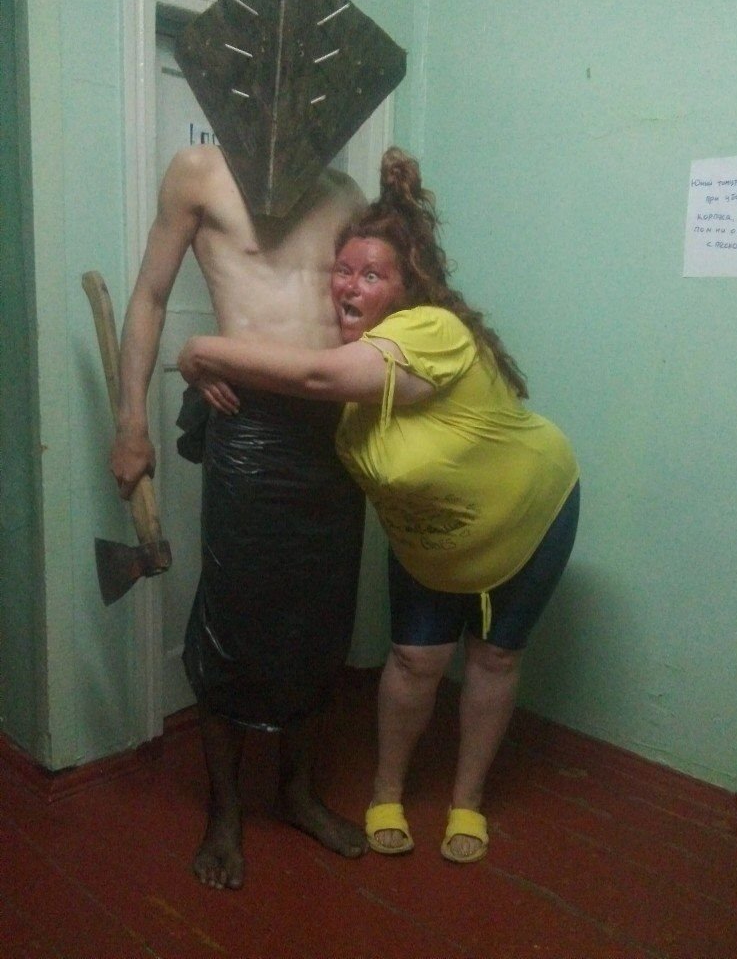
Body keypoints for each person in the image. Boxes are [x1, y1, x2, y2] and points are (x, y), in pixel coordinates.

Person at [177, 146, 580, 865]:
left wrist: (201, 350)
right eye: (343, 269)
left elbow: (315, 374)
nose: (349, 286)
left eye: (372, 275)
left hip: (526, 517)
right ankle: (382, 792)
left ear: (406, 286)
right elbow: (309, 375)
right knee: (413, 660)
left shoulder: (426, 332)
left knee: (492, 658)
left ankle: (466, 802)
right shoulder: (354, 372)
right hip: (432, 538)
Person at [110, 142, 369, 890]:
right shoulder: (201, 171)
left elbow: (374, 313)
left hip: (332, 429)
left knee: (319, 617)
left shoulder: (346, 192)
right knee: (233, 617)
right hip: (247, 426)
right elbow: (150, 295)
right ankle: (224, 813)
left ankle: (296, 793)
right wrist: (131, 422)